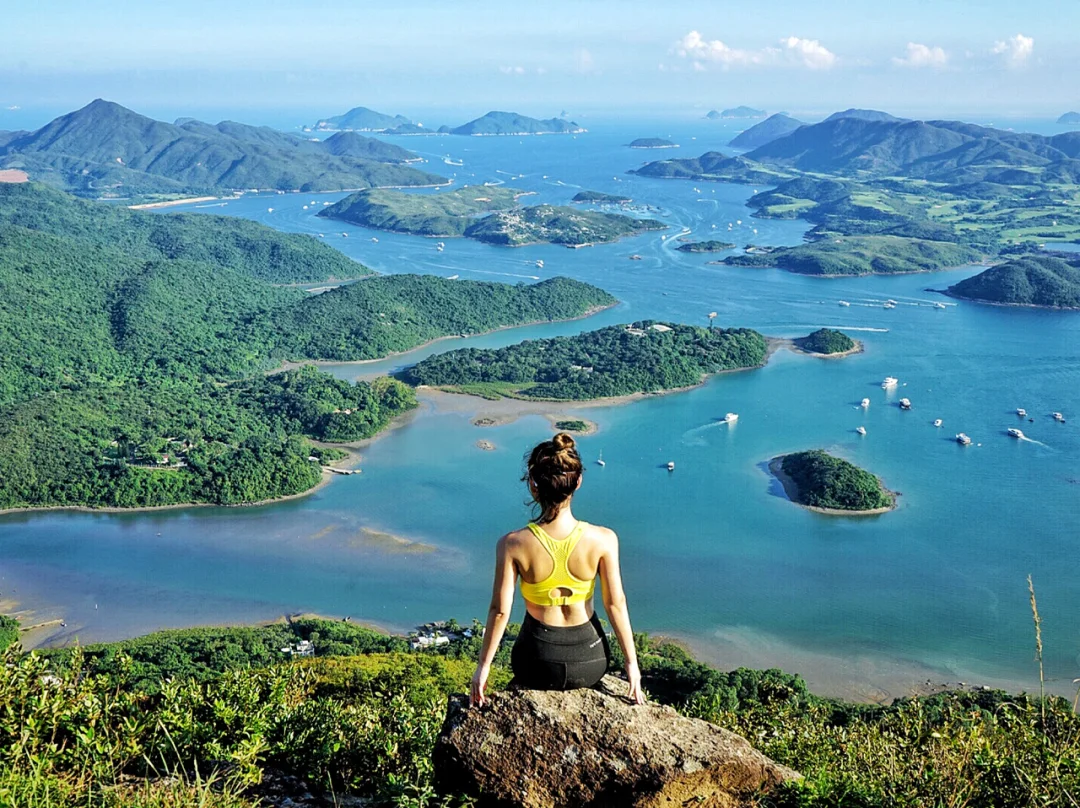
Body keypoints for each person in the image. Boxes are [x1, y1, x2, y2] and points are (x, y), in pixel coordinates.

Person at [470, 432, 644, 707]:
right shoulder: (604, 539)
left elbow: (500, 611)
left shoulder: (512, 544)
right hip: (590, 661)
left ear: (533, 485)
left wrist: (483, 667)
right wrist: (632, 664)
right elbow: (616, 604)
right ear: (578, 482)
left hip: (536, 663)